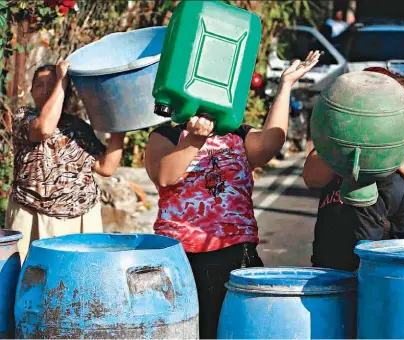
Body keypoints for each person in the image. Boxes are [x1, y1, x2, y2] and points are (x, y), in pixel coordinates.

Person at [145, 51, 320, 339]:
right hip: (181, 258)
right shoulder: (164, 136)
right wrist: (196, 138)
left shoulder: (237, 133)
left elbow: (270, 143)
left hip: (235, 253)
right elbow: (165, 175)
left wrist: (285, 85)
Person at [304, 69, 404, 272]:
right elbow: (311, 177)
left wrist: (386, 147)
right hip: (330, 258)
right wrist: (350, 142)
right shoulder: (333, 137)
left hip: (387, 264)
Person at [5, 61, 125, 261]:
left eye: (51, 84)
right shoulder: (24, 117)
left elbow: (106, 167)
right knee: (29, 279)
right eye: (39, 85)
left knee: (79, 279)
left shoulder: (78, 127)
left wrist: (120, 129)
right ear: (31, 91)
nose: (44, 90)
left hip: (79, 218)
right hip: (33, 213)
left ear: (65, 91)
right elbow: (44, 129)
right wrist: (61, 80)